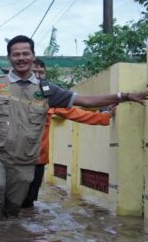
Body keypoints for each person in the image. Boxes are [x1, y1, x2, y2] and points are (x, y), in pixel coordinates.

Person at [0, 35, 148, 219]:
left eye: (26, 53)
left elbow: (86, 101)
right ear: (9, 58)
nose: (21, 58)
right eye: (16, 54)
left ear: (33, 56)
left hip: (25, 161)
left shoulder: (47, 90)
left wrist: (124, 96)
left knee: (13, 210)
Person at [21, 59, 115, 208]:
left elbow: (77, 113)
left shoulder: (50, 98)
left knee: (28, 203)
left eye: (41, 72)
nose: (38, 75)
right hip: (13, 160)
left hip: (37, 160)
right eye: (34, 72)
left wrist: (105, 116)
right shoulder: (14, 94)